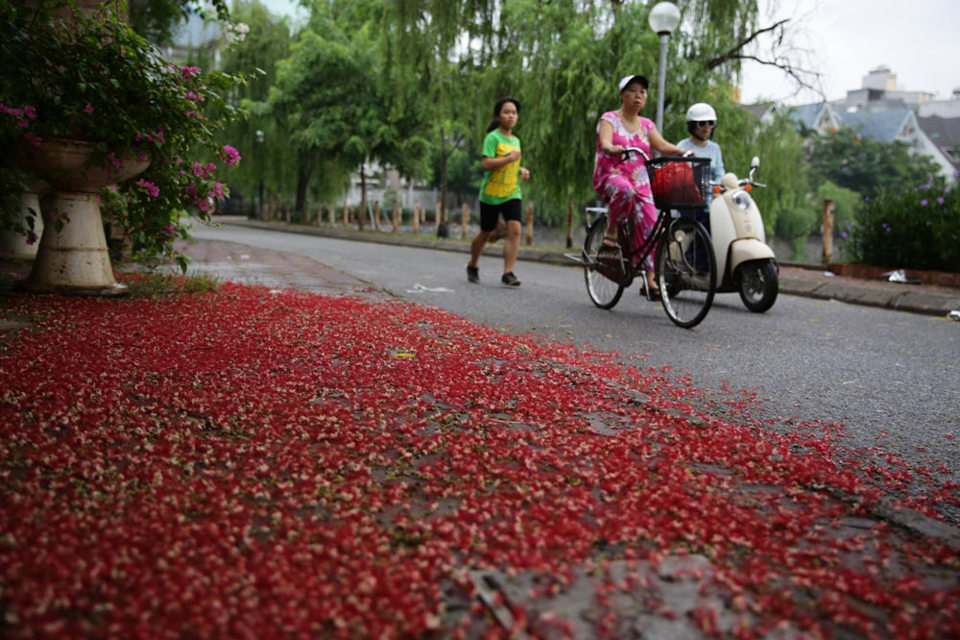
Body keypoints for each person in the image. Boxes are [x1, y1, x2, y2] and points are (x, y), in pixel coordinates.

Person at [593, 74, 687, 298]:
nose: (638, 96)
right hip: (612, 174)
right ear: (621, 95)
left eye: (642, 92)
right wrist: (611, 148)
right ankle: (611, 232)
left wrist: (682, 152)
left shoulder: (646, 125)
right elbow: (605, 141)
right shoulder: (609, 119)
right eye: (632, 91)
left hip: (641, 180)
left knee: (652, 224)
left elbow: (662, 146)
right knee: (625, 191)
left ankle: (650, 278)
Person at [467, 96, 530, 287]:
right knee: (486, 232)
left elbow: (511, 162)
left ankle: (508, 273)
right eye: (506, 112)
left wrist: (521, 169)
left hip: (512, 191)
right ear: (498, 115)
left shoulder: (516, 140)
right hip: (491, 194)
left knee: (515, 229)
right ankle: (473, 264)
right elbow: (487, 164)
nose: (511, 116)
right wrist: (510, 159)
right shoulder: (492, 138)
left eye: (514, 112)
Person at [677, 102, 725, 185]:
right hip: (687, 194)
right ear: (692, 125)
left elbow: (720, 174)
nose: (707, 127)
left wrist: (717, 189)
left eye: (710, 123)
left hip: (712, 195)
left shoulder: (715, 148)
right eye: (702, 123)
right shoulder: (682, 147)